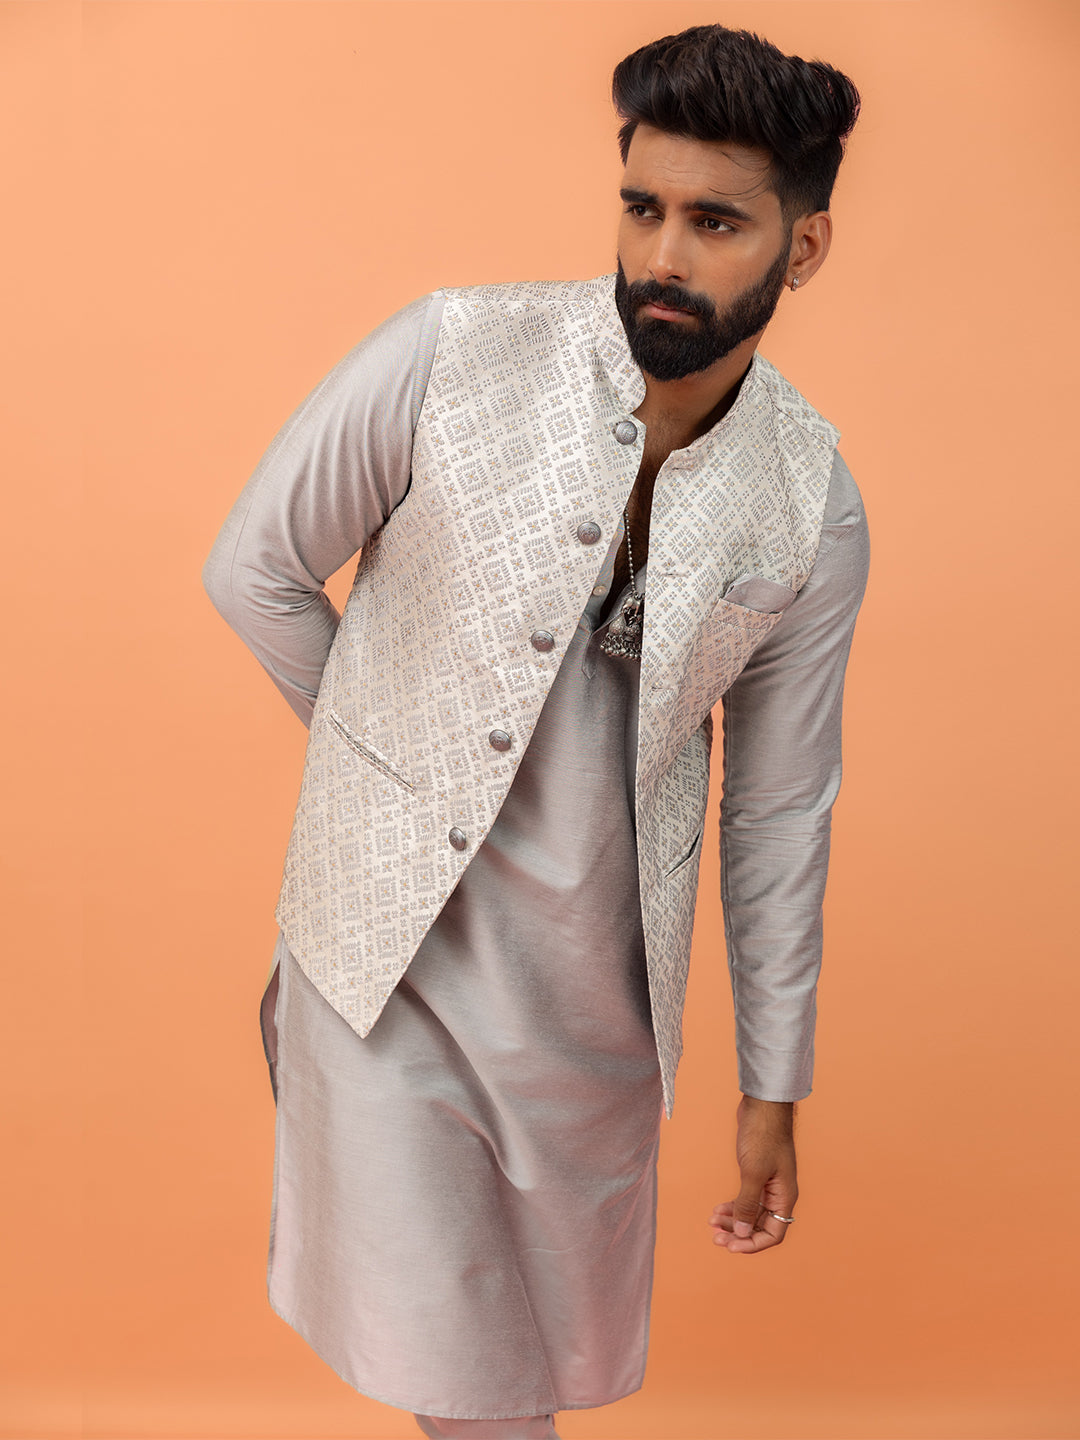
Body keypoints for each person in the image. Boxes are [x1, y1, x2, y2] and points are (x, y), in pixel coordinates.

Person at [204, 23, 868, 1440]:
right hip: (383, 967)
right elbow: (256, 566)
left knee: (526, 1381)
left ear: (801, 248)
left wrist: (773, 1085)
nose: (662, 256)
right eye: (642, 207)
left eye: (715, 222)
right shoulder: (450, 351)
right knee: (468, 1385)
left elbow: (777, 808)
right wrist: (392, 764)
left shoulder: (811, 498)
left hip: (593, 1018)